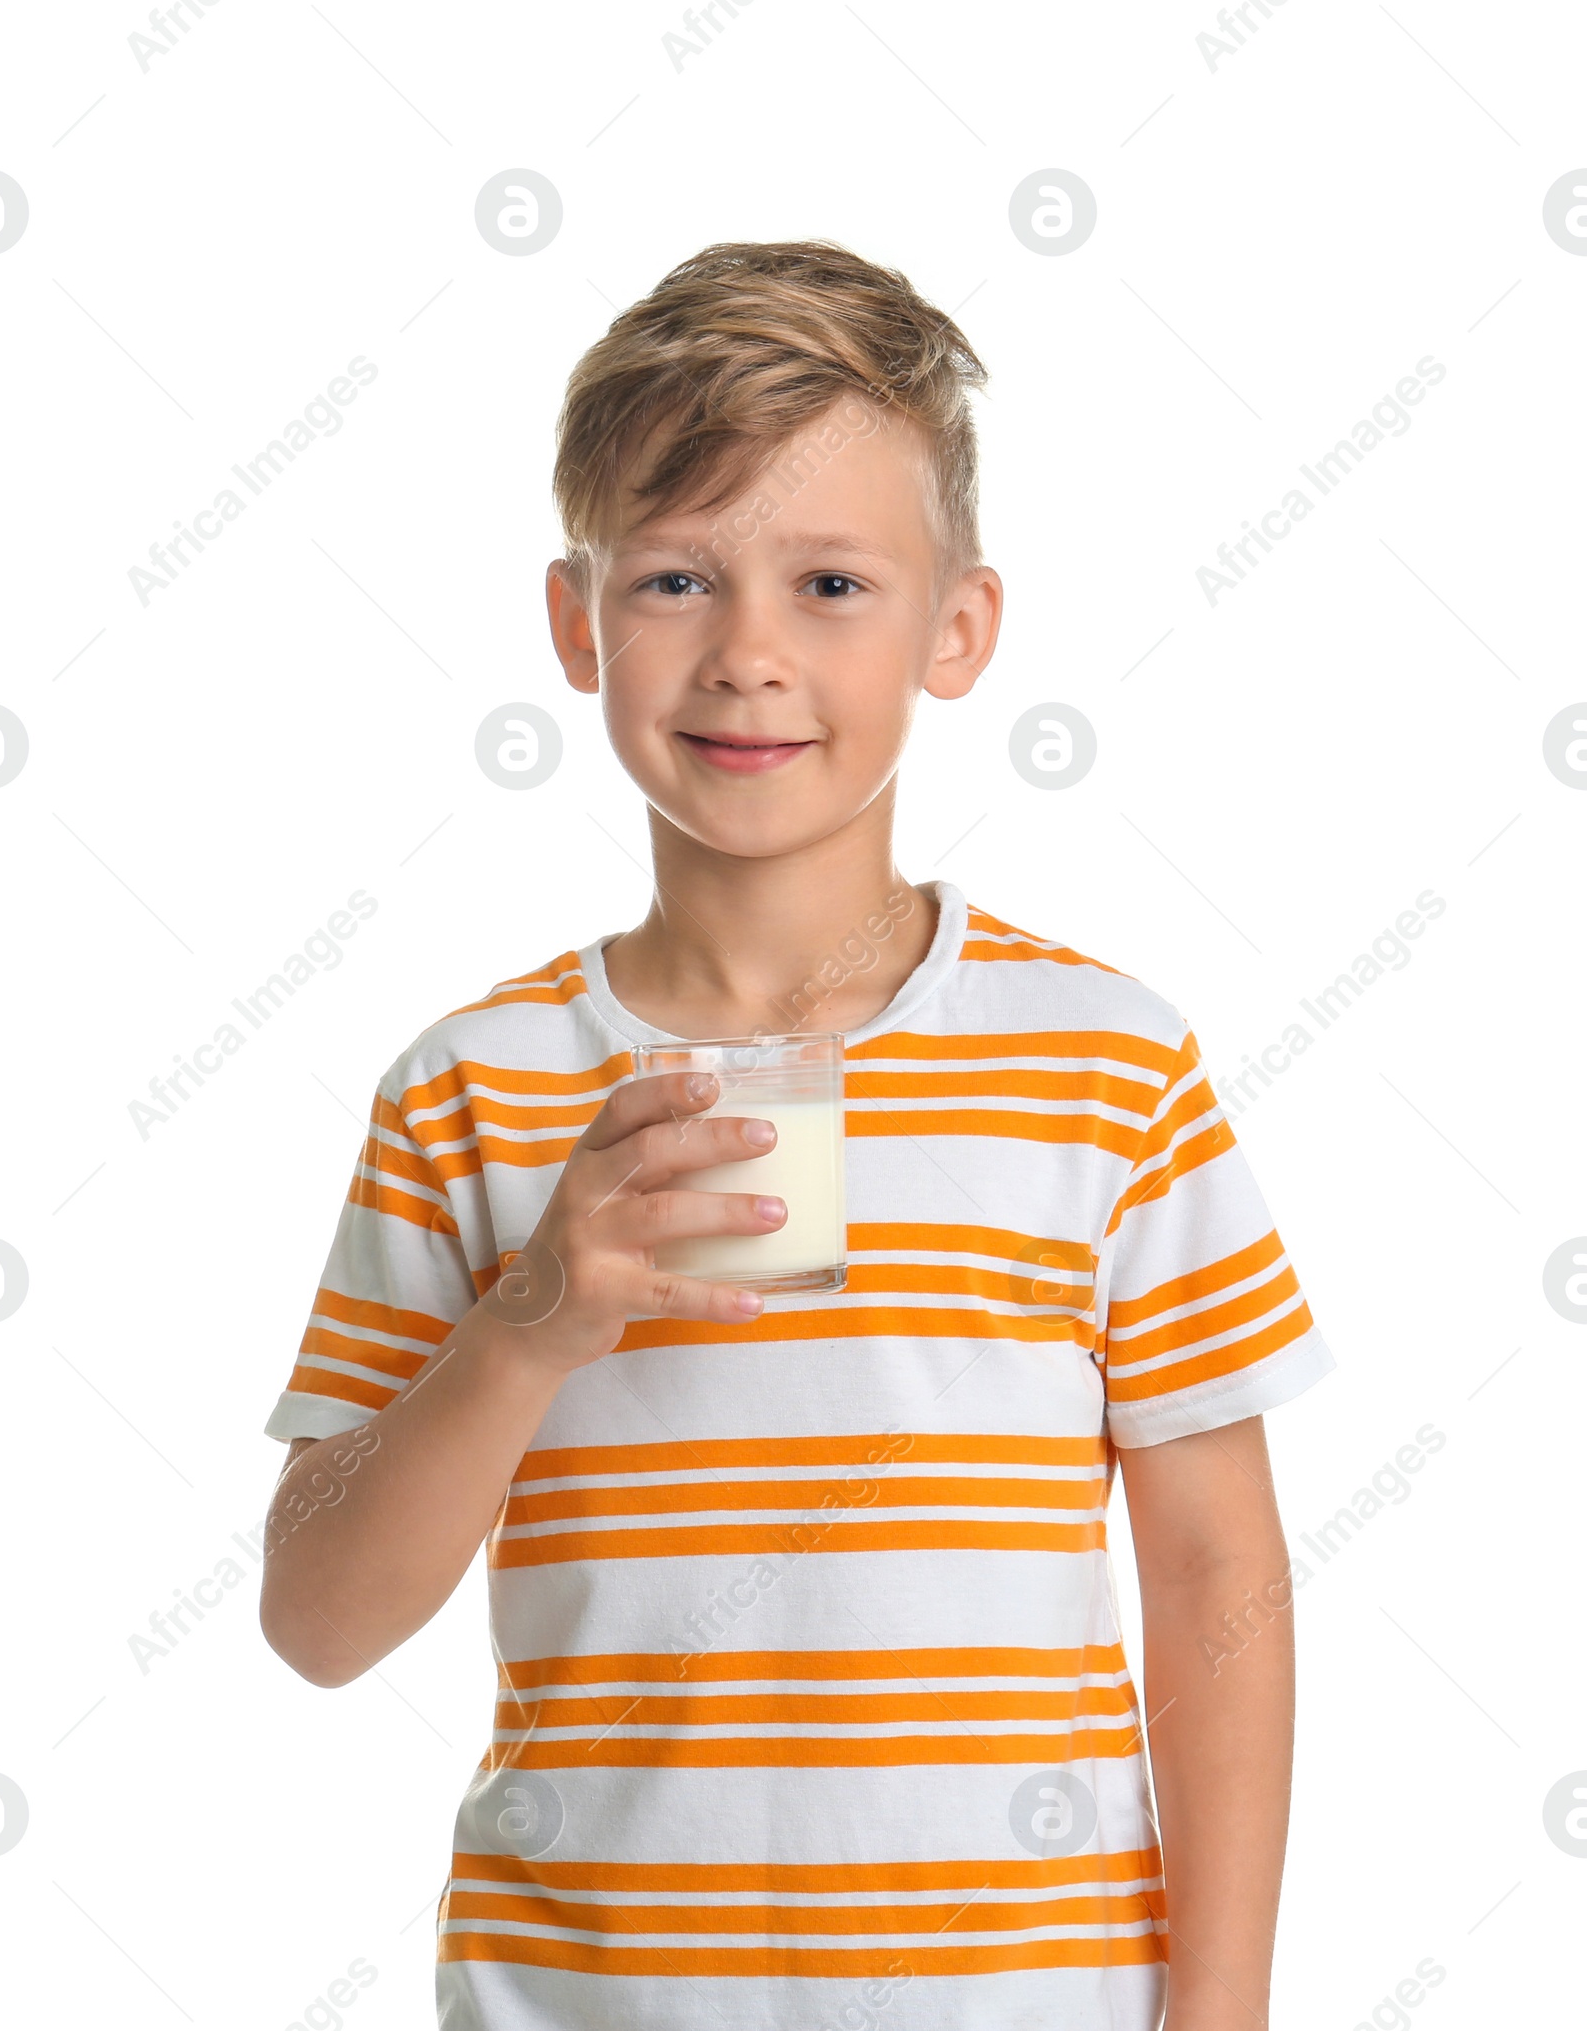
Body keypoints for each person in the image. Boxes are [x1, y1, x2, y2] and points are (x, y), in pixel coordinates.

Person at [260, 239, 1334, 2031]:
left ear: (959, 628)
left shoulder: (1105, 1069)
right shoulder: (473, 1086)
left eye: (831, 580)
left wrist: (1218, 2011)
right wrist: (534, 1322)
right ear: (578, 620)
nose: (749, 653)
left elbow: (1219, 1567)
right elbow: (317, 1618)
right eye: (678, 577)